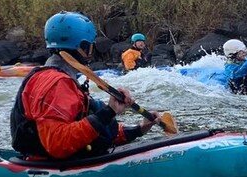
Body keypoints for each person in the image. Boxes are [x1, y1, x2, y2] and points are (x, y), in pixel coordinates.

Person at [10, 12, 154, 160]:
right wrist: (109, 112)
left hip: (65, 160)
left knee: (96, 107)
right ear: (83, 47)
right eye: (90, 45)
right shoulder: (57, 83)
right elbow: (57, 144)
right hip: (49, 166)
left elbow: (95, 131)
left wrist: (139, 129)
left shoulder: (60, 78)